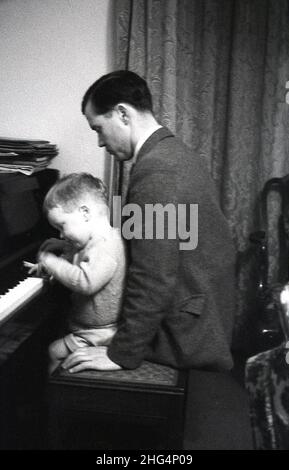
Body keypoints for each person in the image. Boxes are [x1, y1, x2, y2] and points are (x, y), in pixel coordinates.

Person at [60, 70, 236, 373]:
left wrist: (121, 353)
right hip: (199, 314)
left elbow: (153, 274)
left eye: (99, 129)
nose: (100, 142)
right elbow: (158, 243)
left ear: (122, 113)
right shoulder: (174, 153)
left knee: (63, 346)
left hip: (184, 334)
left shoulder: (157, 172)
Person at [31, 172, 126, 373]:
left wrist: (50, 261)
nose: (61, 234)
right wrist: (59, 252)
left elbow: (85, 281)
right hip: (87, 326)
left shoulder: (106, 246)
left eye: (61, 226)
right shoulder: (92, 240)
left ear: (85, 213)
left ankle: (57, 397)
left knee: (53, 351)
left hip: (101, 333)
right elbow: (75, 258)